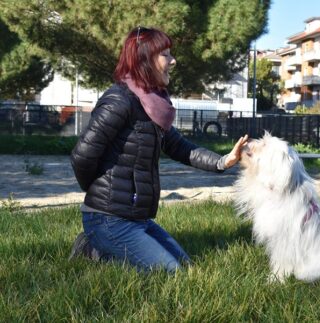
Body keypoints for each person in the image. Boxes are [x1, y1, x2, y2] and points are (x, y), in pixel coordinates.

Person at [69, 26, 248, 273]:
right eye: (166, 55)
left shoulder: (152, 104)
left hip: (137, 218)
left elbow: (178, 146)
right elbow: (82, 156)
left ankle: (98, 248)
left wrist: (223, 161)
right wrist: (99, 195)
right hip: (107, 218)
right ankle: (92, 248)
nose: (173, 61)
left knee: (185, 265)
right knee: (170, 273)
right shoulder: (119, 101)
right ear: (144, 59)